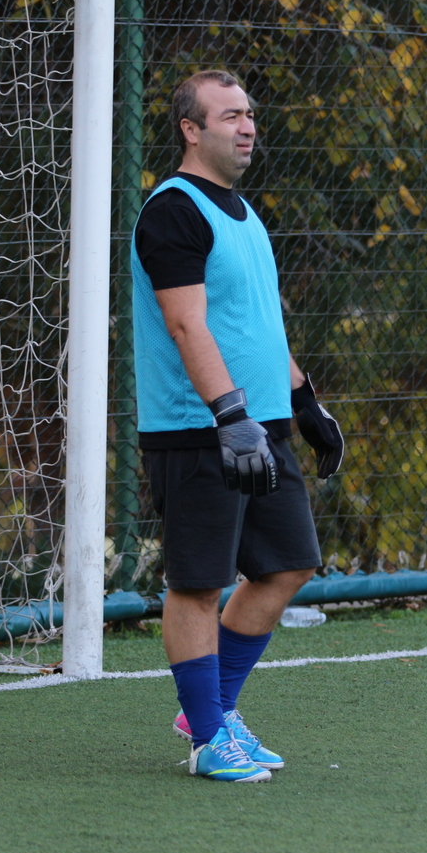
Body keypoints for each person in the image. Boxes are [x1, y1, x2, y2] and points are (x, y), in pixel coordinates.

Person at [132, 70, 345, 782]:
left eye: (249, 114)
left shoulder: (244, 214)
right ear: (191, 130)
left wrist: (305, 403)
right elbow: (186, 324)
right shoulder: (173, 210)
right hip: (201, 430)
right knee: (198, 584)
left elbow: (256, 324)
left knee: (288, 565)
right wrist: (229, 414)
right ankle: (206, 740)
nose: (247, 126)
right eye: (229, 116)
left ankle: (212, 712)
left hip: (261, 426)